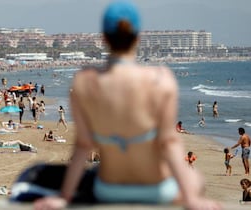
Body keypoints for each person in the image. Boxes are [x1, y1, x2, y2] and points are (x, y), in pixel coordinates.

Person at [32, 2, 220, 209]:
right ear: (138, 37)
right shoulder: (161, 79)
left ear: (104, 38)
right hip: (156, 189)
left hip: (109, 189)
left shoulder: (85, 81)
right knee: (198, 179)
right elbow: (169, 143)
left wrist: (64, 197)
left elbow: (83, 145)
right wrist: (191, 198)